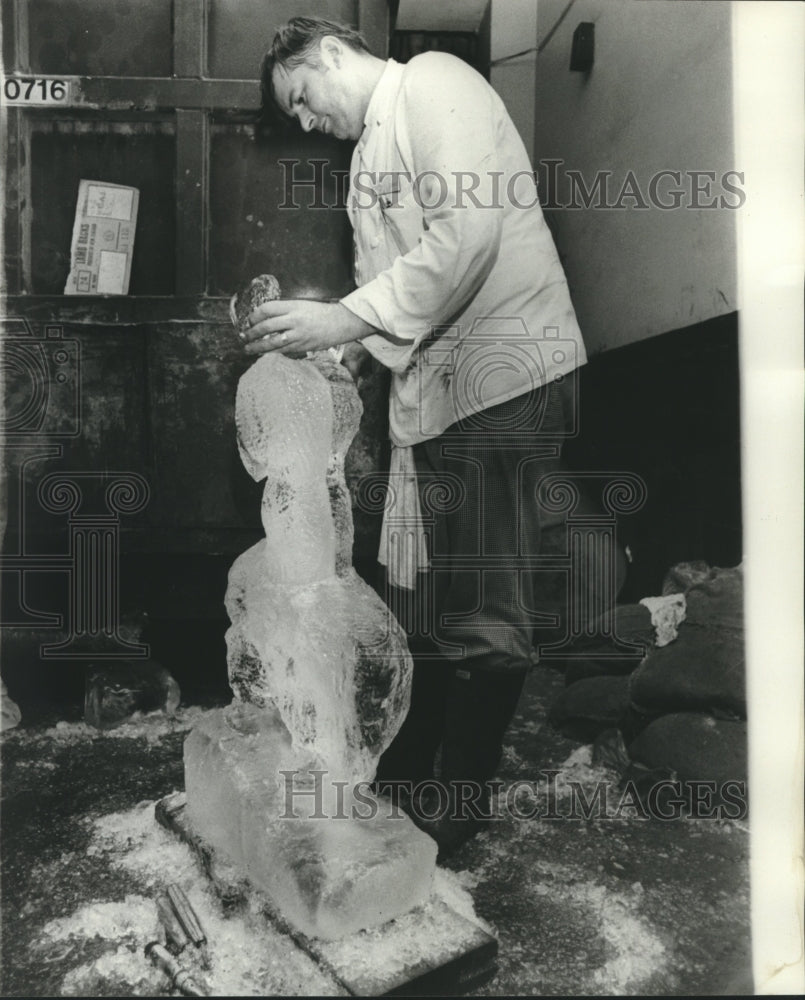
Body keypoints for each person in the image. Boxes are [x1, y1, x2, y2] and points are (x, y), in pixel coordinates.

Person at [239, 16, 588, 855]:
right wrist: (340, 356)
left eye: (303, 98)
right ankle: (409, 777)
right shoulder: (365, 163)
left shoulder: (435, 81)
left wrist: (341, 319)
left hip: (505, 377)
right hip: (440, 399)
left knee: (482, 612)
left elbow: (467, 236)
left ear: (325, 53)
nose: (308, 121)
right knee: (427, 604)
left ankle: (457, 809)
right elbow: (384, 306)